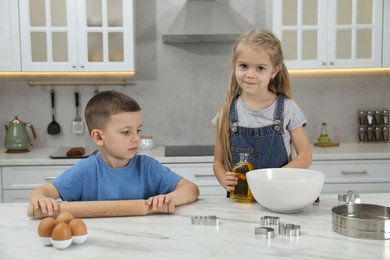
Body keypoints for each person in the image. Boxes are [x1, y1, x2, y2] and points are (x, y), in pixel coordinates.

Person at [30, 90, 199, 216]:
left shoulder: (147, 168)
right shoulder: (86, 170)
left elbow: (191, 189)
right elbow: (40, 192)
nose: (136, 139)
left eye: (138, 130)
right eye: (126, 132)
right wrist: (42, 200)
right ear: (98, 137)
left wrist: (170, 199)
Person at [213, 29, 312, 194]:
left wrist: (272, 178)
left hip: (280, 195)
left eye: (260, 68)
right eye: (244, 66)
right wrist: (223, 177)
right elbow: (218, 162)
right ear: (235, 66)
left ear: (274, 71)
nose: (250, 74)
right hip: (241, 201)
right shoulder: (227, 112)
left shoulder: (288, 108)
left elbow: (305, 157)